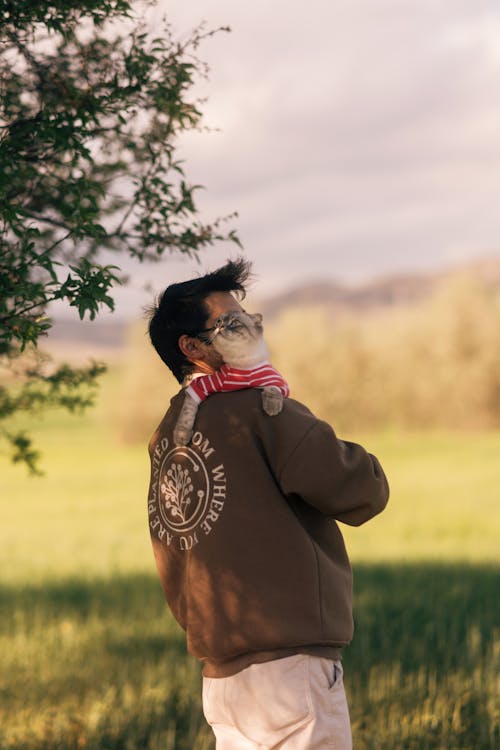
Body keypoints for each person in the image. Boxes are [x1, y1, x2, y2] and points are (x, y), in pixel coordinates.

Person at [147, 257, 389, 750]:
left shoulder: (168, 437)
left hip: (221, 679)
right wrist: (291, 415)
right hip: (289, 669)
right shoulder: (262, 410)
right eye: (231, 323)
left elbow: (172, 544)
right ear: (193, 347)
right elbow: (363, 489)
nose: (252, 329)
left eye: (250, 319)